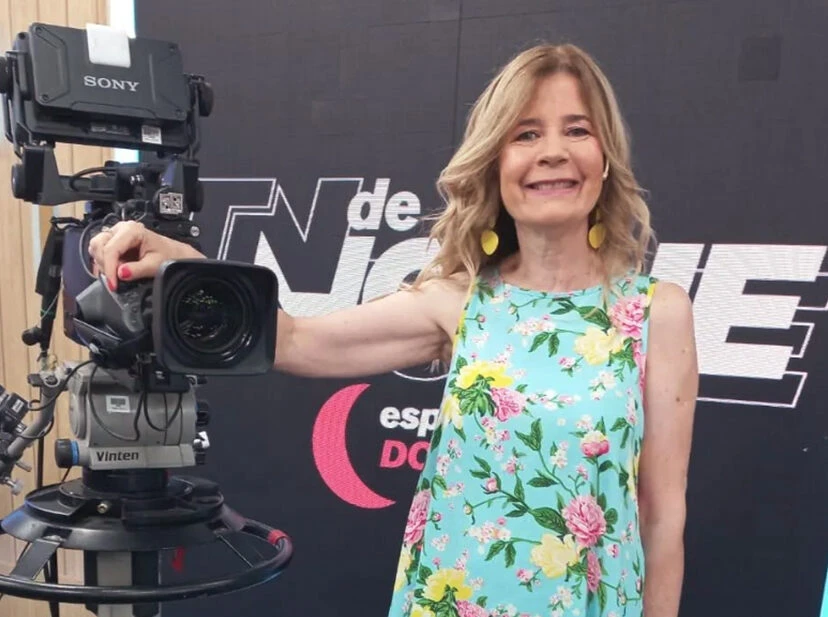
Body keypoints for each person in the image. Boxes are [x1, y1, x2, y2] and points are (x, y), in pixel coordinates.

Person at [89, 43, 697, 617]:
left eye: (577, 130)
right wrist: (181, 261)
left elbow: (662, 515)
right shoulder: (460, 301)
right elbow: (295, 340)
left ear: (606, 156)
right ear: (496, 163)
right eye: (527, 134)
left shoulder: (656, 312)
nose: (553, 152)